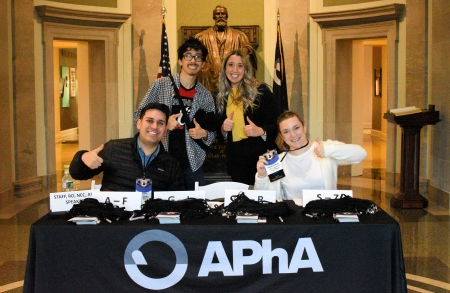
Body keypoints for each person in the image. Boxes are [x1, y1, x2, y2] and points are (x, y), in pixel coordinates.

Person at [133, 37, 216, 190]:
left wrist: (203, 133)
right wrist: (163, 124)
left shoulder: (205, 96)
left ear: (203, 64)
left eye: (198, 57)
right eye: (188, 55)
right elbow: (138, 115)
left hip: (191, 163)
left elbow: (212, 132)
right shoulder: (161, 85)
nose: (193, 60)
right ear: (180, 60)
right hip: (159, 160)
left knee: (195, 206)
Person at [254, 111, 367, 202]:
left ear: (304, 127)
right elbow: (264, 198)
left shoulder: (324, 149)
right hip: (295, 220)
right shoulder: (278, 160)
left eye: (296, 128)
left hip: (325, 215)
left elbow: (361, 154)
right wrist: (262, 176)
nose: (293, 135)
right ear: (282, 136)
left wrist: (330, 150)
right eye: (286, 131)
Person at [70, 103, 184, 191]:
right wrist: (83, 157)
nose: (154, 126)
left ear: (165, 130)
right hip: (114, 217)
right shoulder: (113, 149)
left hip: (150, 219)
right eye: (149, 121)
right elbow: (77, 174)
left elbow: (176, 202)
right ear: (139, 123)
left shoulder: (171, 164)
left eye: (160, 123)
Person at [216, 49, 280, 185]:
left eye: (240, 65)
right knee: (245, 200)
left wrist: (261, 131)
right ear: (225, 68)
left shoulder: (261, 90)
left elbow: (278, 123)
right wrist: (223, 129)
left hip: (268, 154)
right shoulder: (219, 95)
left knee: (276, 193)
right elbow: (219, 133)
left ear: (246, 69)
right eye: (231, 65)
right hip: (237, 158)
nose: (235, 70)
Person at [195, 5, 252, 93]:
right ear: (214, 17)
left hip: (232, 77)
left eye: (223, 14)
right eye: (218, 14)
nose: (221, 16)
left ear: (227, 16)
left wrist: (245, 50)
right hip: (209, 77)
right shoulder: (202, 37)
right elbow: (194, 54)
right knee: (203, 72)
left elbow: (249, 49)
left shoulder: (239, 36)